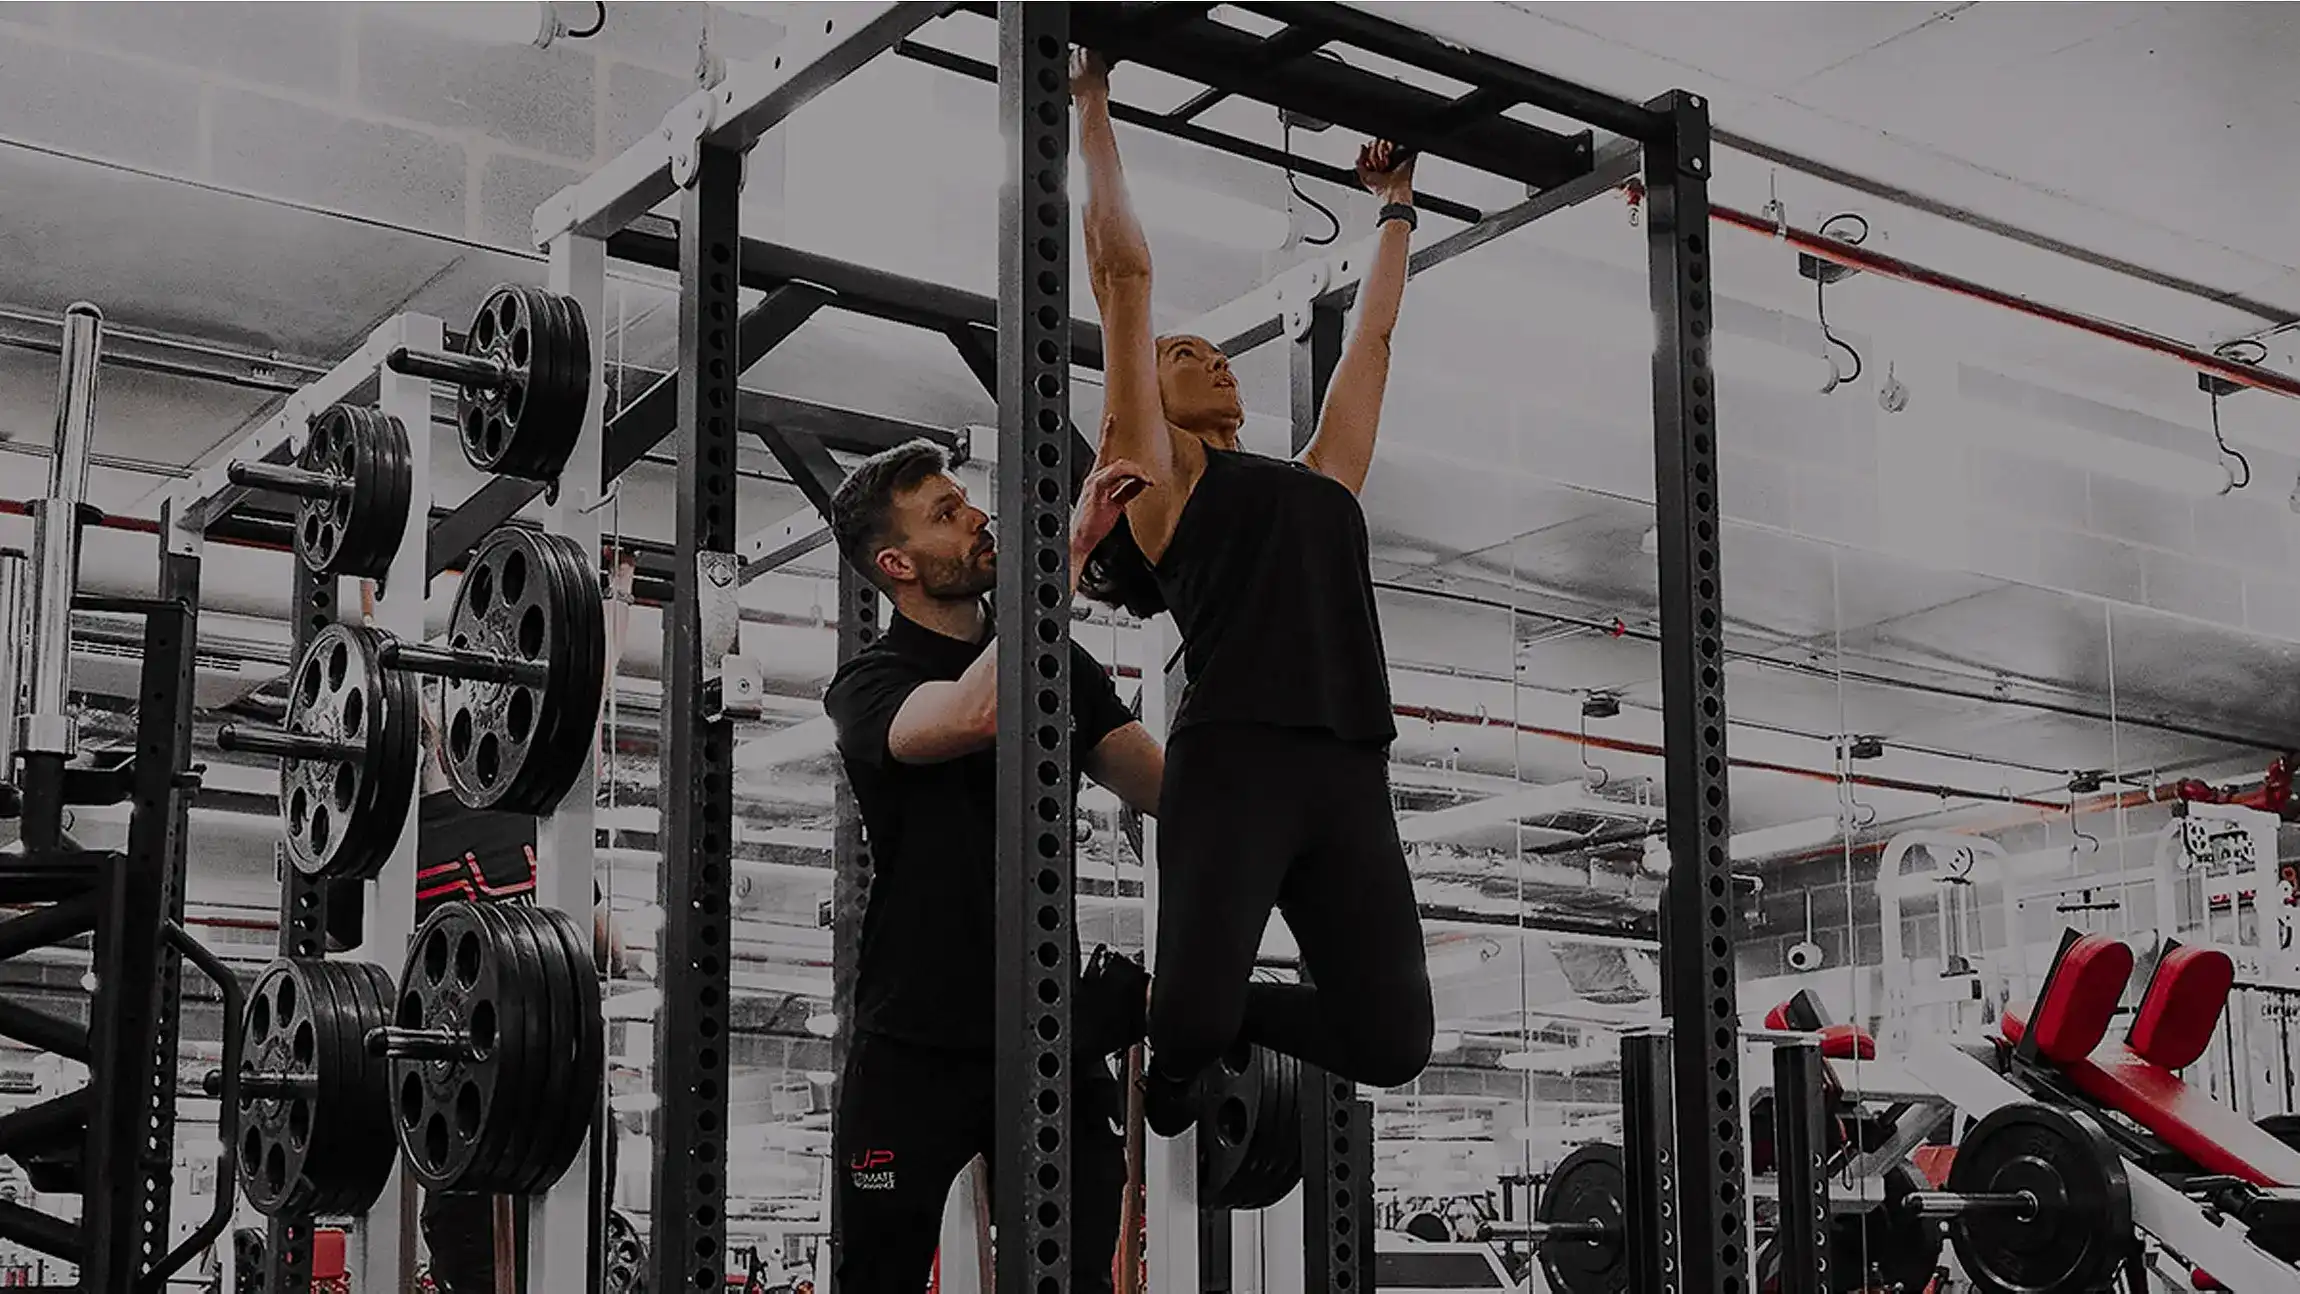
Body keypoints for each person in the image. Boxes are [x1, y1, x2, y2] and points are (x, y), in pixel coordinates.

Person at [1070, 49, 1436, 1135]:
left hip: (1346, 761)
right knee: (1184, 1024)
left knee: (1391, 1041)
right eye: (1188, 355)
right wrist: (1090, 100)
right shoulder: (1164, 482)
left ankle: (1192, 1020)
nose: (1213, 361)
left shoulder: (1320, 481)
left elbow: (1369, 338)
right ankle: (1174, 1048)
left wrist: (1396, 211)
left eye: (1218, 354)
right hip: (1234, 761)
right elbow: (1123, 279)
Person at [822, 439, 1165, 1293]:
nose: (975, 517)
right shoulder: (869, 685)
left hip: (1050, 1036)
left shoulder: (1061, 666)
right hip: (914, 1048)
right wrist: (1071, 553)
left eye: (963, 499)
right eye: (945, 513)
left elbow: (1169, 790)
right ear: (896, 564)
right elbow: (978, 712)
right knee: (877, 1276)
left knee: (1077, 1273)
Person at [399, 557, 637, 1294]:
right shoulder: (536, 826)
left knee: (475, 1266)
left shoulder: (389, 857)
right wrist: (614, 599)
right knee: (569, 1259)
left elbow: (360, 968)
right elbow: (616, 951)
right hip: (560, 1091)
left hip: (457, 1094)